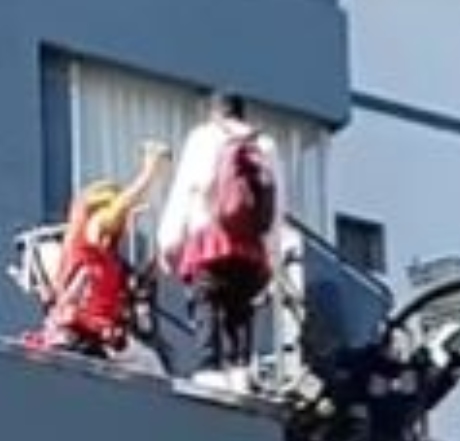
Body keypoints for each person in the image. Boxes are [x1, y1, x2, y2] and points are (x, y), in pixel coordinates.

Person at [159, 94, 285, 373]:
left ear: (214, 112)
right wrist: (273, 260)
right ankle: (240, 369)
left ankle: (209, 368)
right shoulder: (265, 145)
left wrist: (168, 242)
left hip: (210, 240)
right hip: (253, 248)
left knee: (207, 302)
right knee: (240, 310)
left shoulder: (203, 138)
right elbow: (277, 208)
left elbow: (184, 192)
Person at [26, 140, 169, 361]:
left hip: (99, 337)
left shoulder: (110, 260)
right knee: (148, 363)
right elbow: (116, 210)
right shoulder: (83, 242)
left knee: (149, 362)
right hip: (75, 336)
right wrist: (149, 172)